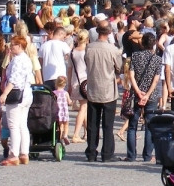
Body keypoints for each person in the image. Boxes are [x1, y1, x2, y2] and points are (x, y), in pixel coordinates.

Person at [84, 24, 124, 163]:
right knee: (108, 124)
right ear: (109, 33)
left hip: (93, 88)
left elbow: (86, 63)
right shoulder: (112, 49)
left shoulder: (89, 48)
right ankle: (107, 153)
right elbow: (119, 67)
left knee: (92, 123)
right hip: (108, 89)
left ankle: (91, 152)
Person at [125, 31, 163, 162]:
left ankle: (131, 155)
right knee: (149, 125)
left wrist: (138, 91)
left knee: (132, 126)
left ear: (142, 43)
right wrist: (146, 94)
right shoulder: (157, 59)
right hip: (151, 95)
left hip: (137, 93)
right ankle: (147, 155)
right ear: (154, 44)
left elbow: (131, 75)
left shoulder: (135, 56)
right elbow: (156, 79)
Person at [0, 35, 34, 166]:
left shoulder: (18, 60)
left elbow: (14, 80)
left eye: (13, 44)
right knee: (22, 125)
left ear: (19, 46)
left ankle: (14, 154)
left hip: (16, 95)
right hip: (26, 94)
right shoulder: (26, 59)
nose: (10, 46)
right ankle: (24, 152)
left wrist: (4, 94)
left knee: (13, 125)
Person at [68, 28, 89, 143]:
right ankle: (76, 134)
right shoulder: (87, 52)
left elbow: (70, 70)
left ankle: (87, 132)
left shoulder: (72, 52)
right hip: (85, 82)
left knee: (83, 107)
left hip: (76, 81)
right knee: (84, 108)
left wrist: (69, 85)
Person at [54, 76, 71, 145]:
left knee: (60, 125)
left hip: (58, 112)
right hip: (64, 112)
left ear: (56, 83)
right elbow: (69, 102)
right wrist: (71, 102)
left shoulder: (54, 93)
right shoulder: (65, 93)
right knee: (66, 124)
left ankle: (60, 139)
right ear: (64, 84)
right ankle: (65, 135)